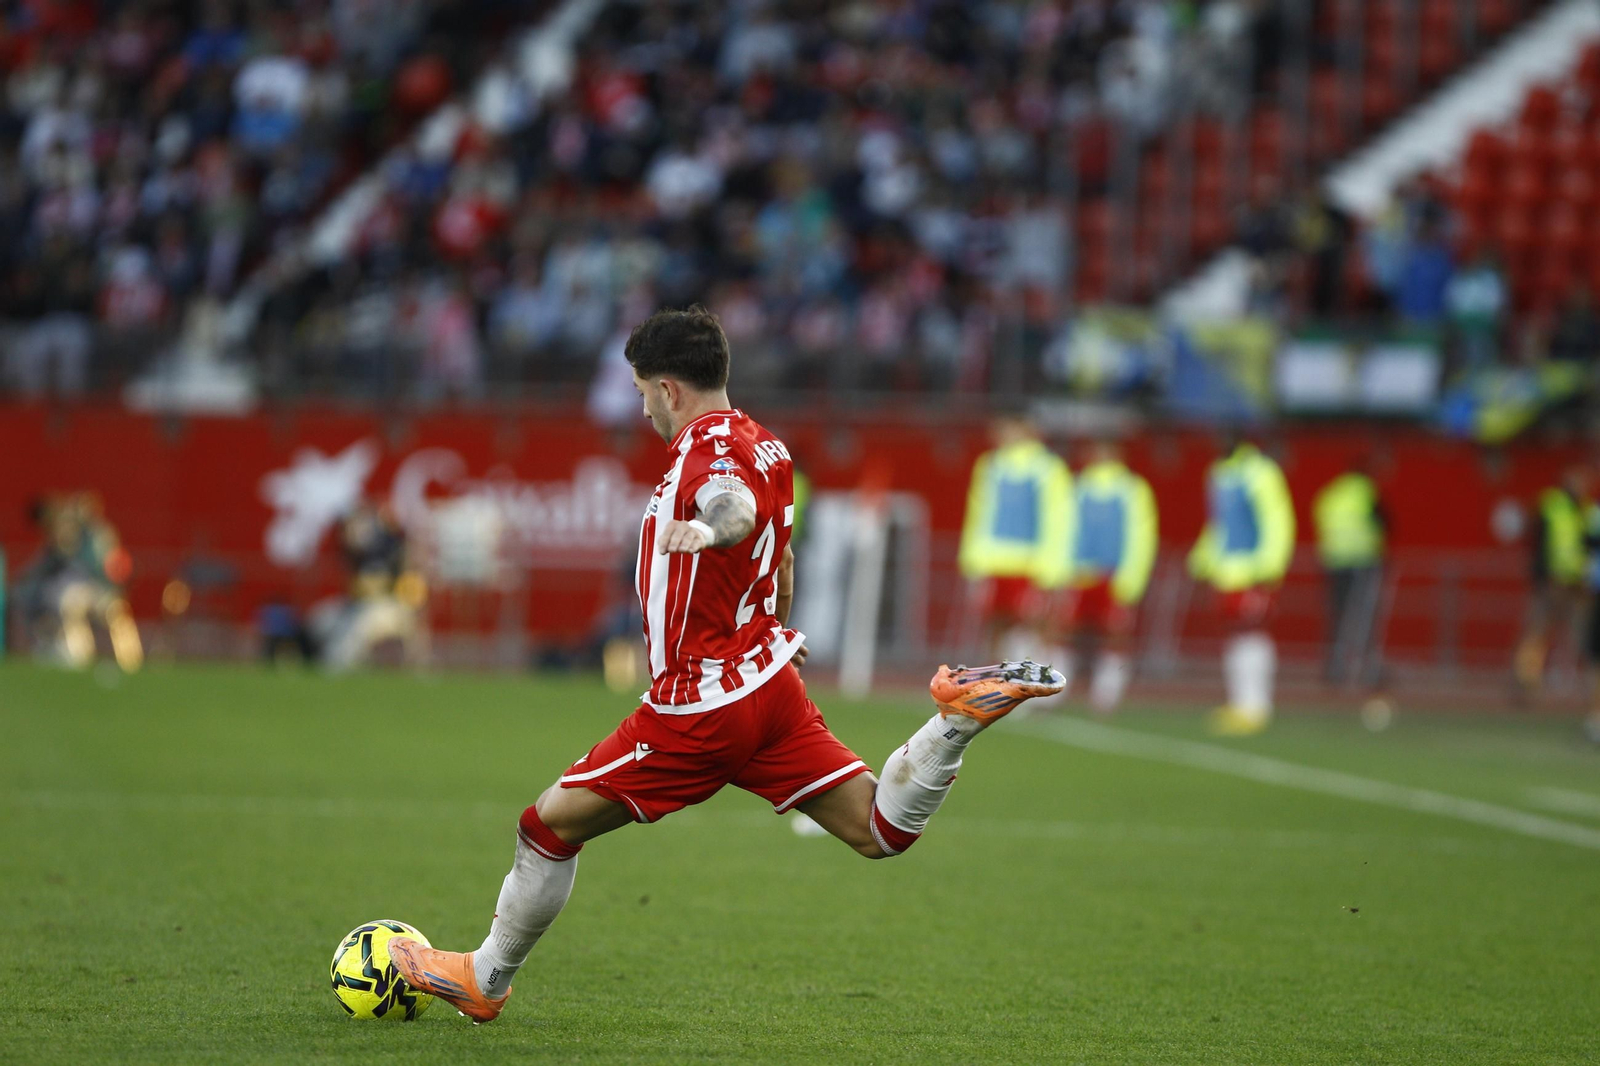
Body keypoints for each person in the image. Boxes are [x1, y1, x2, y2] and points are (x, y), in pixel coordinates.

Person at [385, 307, 1065, 1022]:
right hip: (769, 683)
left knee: (546, 826)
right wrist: (771, 622)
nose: (643, 406)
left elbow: (732, 506)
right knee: (877, 829)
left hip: (703, 703)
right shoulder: (766, 443)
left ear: (671, 390)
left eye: (644, 390)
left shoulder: (711, 454)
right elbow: (786, 555)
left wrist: (710, 529)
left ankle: (484, 980)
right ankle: (953, 724)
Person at [1039, 437, 1158, 714]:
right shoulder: (1077, 487)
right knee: (1062, 631)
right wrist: (1058, 572)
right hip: (1079, 572)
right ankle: (1054, 690)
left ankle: (1107, 694)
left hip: (1114, 574)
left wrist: (1132, 577)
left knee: (1115, 635)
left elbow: (1141, 536)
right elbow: (1062, 530)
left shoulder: (1132, 489)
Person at [1188, 433, 1295, 735]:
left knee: (1253, 632)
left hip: (1253, 569)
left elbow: (1276, 520)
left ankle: (1257, 707)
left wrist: (1270, 566)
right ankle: (1239, 704)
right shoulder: (1219, 474)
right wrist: (1202, 561)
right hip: (1227, 572)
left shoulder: (1260, 472)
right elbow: (1219, 525)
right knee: (1236, 636)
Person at [957, 412, 1073, 660]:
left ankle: (1039, 681)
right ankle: (998, 685)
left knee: (1034, 624)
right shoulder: (989, 466)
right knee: (995, 626)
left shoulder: (1048, 468)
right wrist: (973, 560)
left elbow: (1058, 520)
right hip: (994, 562)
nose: (1001, 434)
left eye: (1008, 428)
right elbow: (978, 515)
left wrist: (1052, 567)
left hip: (1031, 563)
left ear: (1026, 429)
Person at [1514, 466, 1590, 700]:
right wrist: (1541, 575)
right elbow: (1537, 539)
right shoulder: (1551, 504)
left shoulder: (1585, 509)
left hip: (1575, 584)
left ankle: (1585, 684)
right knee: (1537, 631)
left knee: (1583, 633)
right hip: (1551, 582)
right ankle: (1526, 681)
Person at [1312, 460, 1388, 690]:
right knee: (1363, 619)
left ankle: (1335, 667)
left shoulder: (1331, 494)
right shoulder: (1364, 490)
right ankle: (1367, 670)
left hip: (1333, 563)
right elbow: (1382, 520)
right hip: (1362, 562)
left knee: (1338, 616)